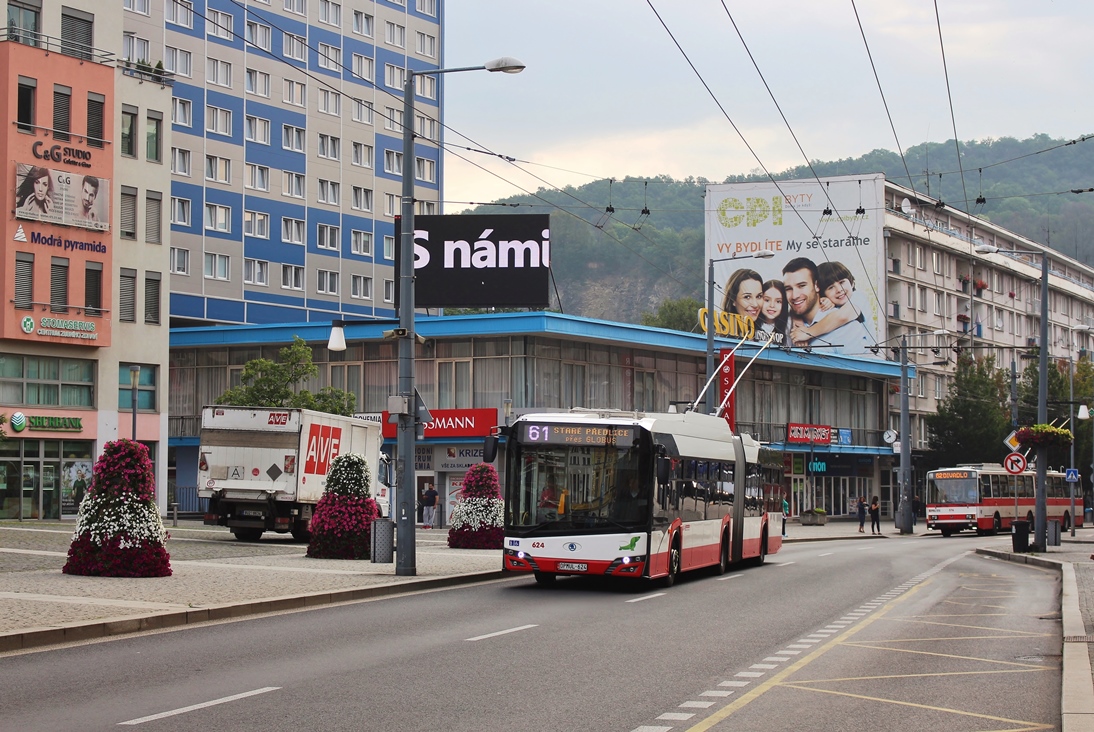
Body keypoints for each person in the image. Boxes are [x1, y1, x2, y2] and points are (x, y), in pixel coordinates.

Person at [758, 279, 789, 345]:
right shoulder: (751, 322)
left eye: (778, 301)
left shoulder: (789, 326)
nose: (772, 305)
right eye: (767, 300)